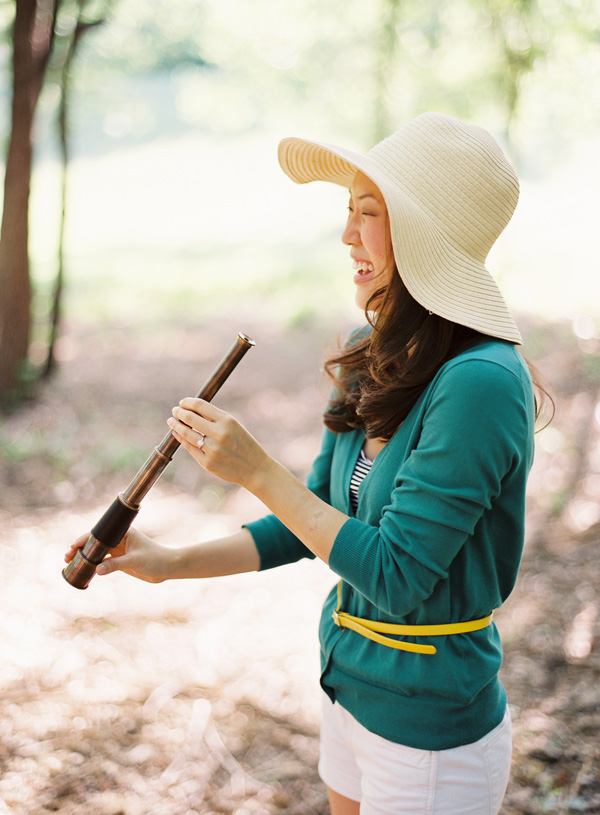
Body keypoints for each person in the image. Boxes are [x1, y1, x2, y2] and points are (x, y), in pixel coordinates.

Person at [66, 112, 547, 815]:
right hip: (348, 687)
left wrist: (256, 469)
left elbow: (396, 573)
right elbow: (311, 520)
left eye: (370, 213)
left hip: (433, 731)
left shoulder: (481, 381)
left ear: (426, 233)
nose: (348, 234)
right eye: (347, 213)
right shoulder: (368, 350)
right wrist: (168, 559)